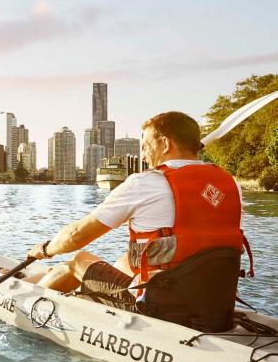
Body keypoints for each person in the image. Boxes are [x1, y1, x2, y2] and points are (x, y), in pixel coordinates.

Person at [27, 111, 250, 330]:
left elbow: (76, 235)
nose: (143, 155)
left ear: (164, 144)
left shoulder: (145, 183)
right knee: (123, 262)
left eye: (145, 146)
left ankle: (24, 303)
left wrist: (46, 250)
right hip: (214, 302)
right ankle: (79, 292)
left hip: (163, 307)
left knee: (77, 261)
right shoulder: (230, 184)